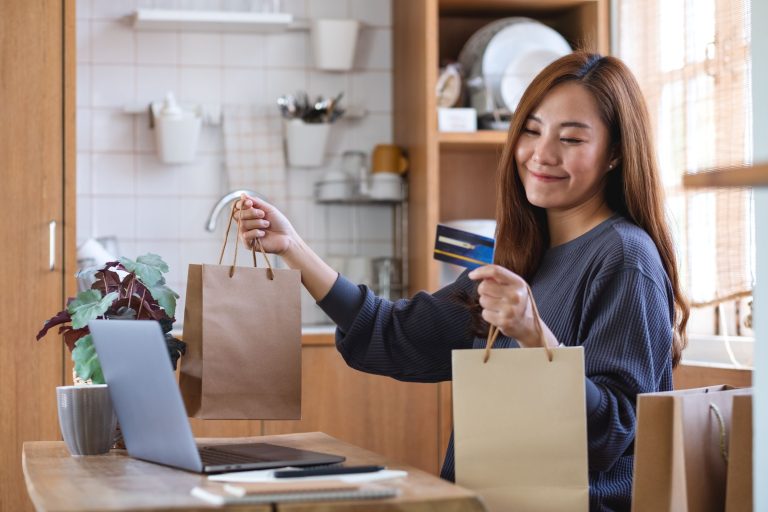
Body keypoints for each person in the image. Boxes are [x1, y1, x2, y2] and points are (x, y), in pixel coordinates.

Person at [235, 51, 689, 511]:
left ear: (614, 153)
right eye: (531, 130)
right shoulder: (520, 257)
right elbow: (395, 333)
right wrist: (292, 248)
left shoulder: (625, 257)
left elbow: (612, 433)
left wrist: (535, 338)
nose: (542, 154)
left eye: (571, 138)